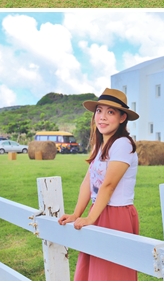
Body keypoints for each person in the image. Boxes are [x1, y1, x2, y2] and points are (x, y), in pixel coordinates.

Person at [57, 88, 140, 280]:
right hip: (99, 210)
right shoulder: (101, 145)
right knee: (94, 272)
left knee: (110, 273)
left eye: (110, 112)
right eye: (99, 111)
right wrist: (77, 214)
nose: (102, 117)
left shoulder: (123, 144)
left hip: (116, 214)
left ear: (122, 118)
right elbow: (88, 181)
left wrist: (90, 218)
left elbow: (108, 185)